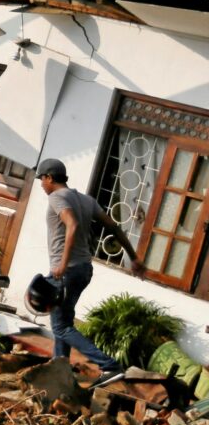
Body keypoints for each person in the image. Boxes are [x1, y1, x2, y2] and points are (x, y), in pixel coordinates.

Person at [36, 158, 144, 387]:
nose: (42, 186)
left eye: (41, 180)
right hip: (84, 269)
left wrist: (63, 264)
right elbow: (114, 227)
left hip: (67, 271)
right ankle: (60, 370)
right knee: (62, 322)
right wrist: (133, 257)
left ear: (49, 177)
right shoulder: (86, 200)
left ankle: (109, 366)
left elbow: (72, 224)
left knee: (61, 326)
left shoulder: (57, 197)